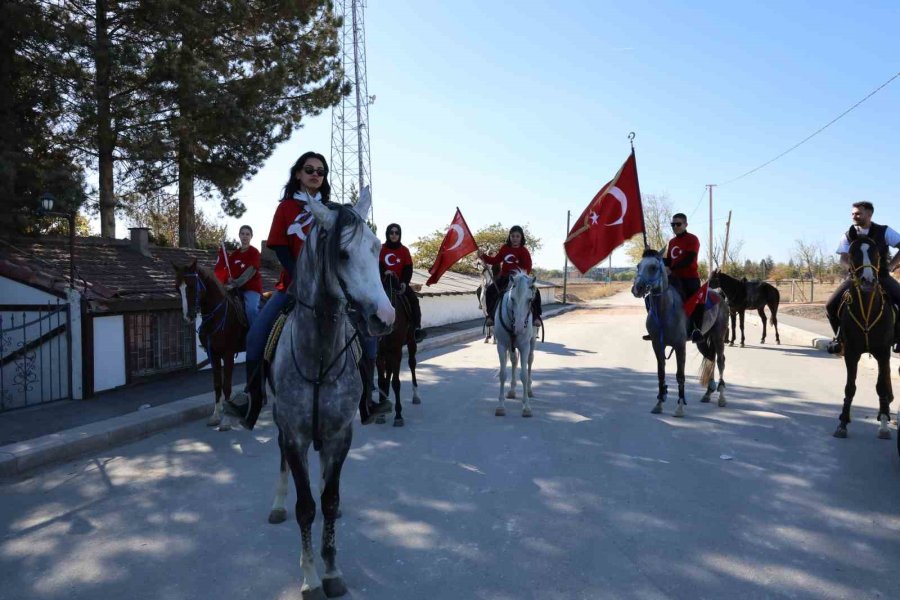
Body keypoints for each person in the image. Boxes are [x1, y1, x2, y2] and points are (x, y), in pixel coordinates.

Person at [225, 151, 387, 429]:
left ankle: (368, 398)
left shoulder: (335, 210)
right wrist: (298, 276)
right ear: (298, 174)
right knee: (256, 336)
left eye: (320, 171)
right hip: (292, 286)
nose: (315, 174)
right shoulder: (286, 208)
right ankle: (252, 399)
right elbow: (279, 245)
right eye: (309, 169)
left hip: (333, 289)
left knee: (367, 335)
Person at [825, 201, 900, 354]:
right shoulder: (848, 234)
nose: (854, 216)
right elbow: (843, 259)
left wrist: (891, 266)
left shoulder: (884, 231)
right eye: (853, 213)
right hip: (855, 278)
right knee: (830, 306)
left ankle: (899, 338)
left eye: (858, 213)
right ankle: (840, 339)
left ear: (869, 214)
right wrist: (852, 270)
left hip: (881, 276)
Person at [644, 213, 704, 343]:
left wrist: (672, 268)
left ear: (685, 224)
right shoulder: (672, 242)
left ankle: (696, 330)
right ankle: (655, 328)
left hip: (690, 278)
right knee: (650, 298)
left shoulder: (692, 239)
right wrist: (651, 253)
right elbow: (668, 261)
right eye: (673, 224)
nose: (675, 226)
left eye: (678, 224)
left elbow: (689, 259)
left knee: (696, 302)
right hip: (674, 279)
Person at [477, 225, 542, 328]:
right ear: (509, 237)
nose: (515, 238)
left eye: (517, 236)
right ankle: (491, 316)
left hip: (519, 279)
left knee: (536, 292)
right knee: (489, 291)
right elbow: (495, 261)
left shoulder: (524, 251)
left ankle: (536, 317)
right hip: (504, 278)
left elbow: (528, 267)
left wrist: (519, 276)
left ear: (521, 238)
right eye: (512, 236)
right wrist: (483, 256)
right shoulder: (505, 248)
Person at [380, 223, 427, 343]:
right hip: (382, 283)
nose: (394, 235)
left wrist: (404, 283)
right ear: (388, 234)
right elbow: (376, 264)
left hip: (400, 283)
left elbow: (408, 268)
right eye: (391, 232)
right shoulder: (381, 249)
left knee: (414, 301)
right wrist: (384, 272)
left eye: (397, 233)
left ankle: (416, 328)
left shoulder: (404, 250)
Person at [224, 225, 262, 327]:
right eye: (243, 234)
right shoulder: (234, 255)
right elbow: (228, 272)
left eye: (247, 234)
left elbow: (249, 273)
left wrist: (235, 283)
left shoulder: (254, 252)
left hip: (251, 288)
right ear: (239, 235)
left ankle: (255, 334)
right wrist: (229, 279)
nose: (245, 236)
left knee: (251, 310)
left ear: (251, 236)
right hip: (235, 289)